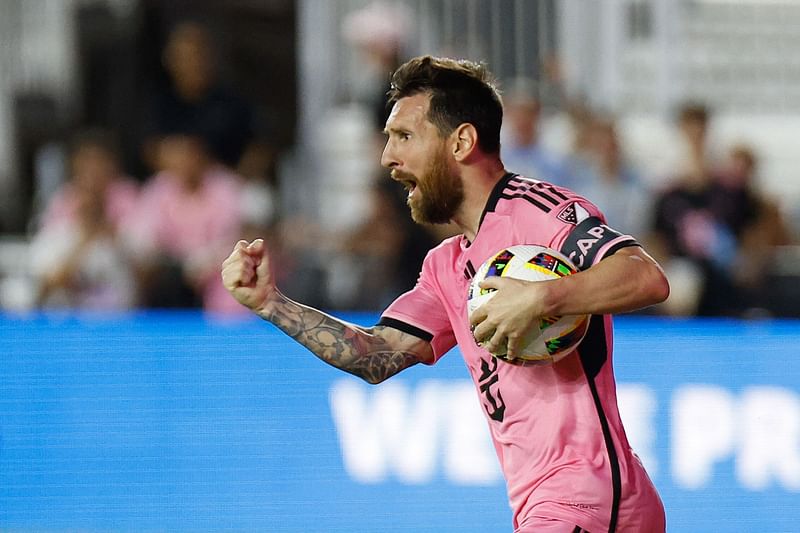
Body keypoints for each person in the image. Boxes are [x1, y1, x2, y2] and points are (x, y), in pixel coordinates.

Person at [222, 56, 669, 532]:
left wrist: (542, 298)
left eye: (404, 137)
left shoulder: (540, 211)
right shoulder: (445, 266)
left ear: (461, 141)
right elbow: (377, 355)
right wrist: (272, 303)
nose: (387, 159)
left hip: (586, 497)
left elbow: (646, 277)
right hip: (558, 504)